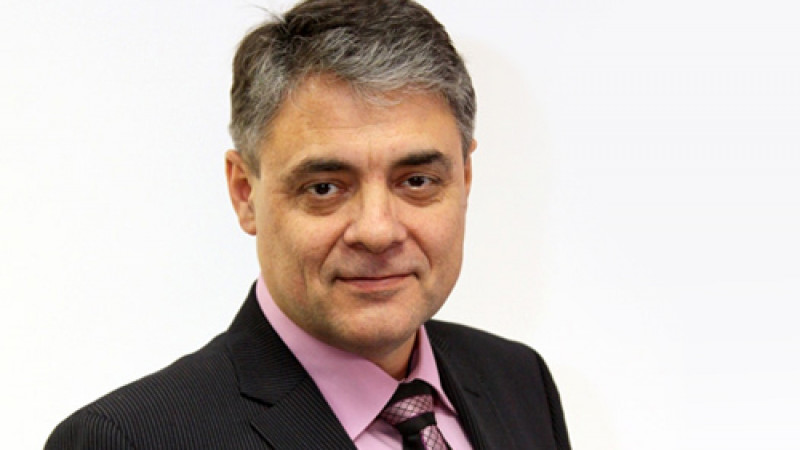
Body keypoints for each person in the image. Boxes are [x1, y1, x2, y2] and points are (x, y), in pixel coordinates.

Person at [45, 0, 571, 448]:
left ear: (465, 178)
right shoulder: (127, 440)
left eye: (416, 181)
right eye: (324, 188)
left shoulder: (518, 381)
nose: (377, 231)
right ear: (245, 193)